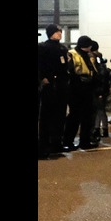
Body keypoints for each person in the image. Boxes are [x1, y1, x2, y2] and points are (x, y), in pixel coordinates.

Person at [38, 24, 70, 158]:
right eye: (57, 32)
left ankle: (57, 141)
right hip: (50, 84)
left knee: (60, 114)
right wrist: (43, 78)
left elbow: (65, 65)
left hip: (61, 84)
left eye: (60, 32)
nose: (60, 34)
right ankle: (44, 144)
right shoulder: (43, 47)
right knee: (47, 115)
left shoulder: (62, 48)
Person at [63, 35, 99, 150]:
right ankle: (68, 141)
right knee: (75, 116)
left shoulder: (89, 55)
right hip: (76, 88)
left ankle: (84, 141)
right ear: (88, 45)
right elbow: (71, 71)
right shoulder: (72, 54)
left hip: (87, 88)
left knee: (86, 117)